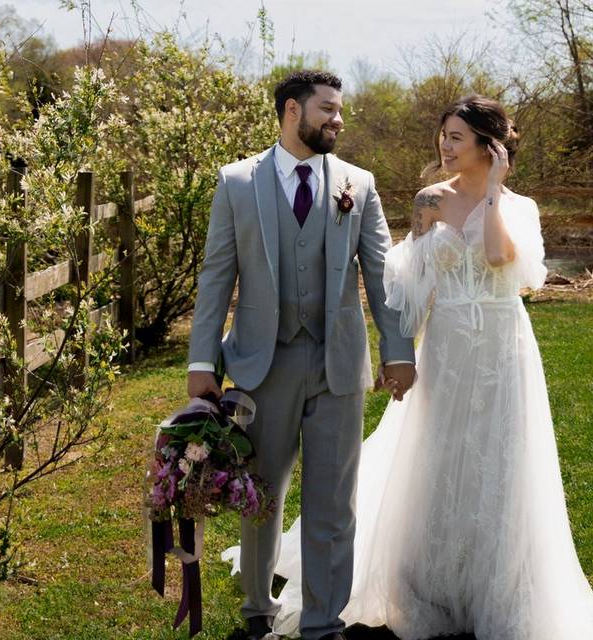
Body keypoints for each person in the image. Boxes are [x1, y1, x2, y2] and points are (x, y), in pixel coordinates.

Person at [255, 95, 593, 639]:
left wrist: (492, 193)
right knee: (440, 452)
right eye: (442, 135)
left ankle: (495, 585)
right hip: (446, 346)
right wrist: (402, 352)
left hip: (502, 344)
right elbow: (407, 284)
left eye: (457, 137)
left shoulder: (520, 207)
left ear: (490, 146)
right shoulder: (428, 202)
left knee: (500, 457)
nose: (444, 146)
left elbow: (499, 261)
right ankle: (429, 586)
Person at [186, 70, 417, 640]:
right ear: (293, 110)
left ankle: (323, 623)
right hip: (262, 365)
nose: (338, 120)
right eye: (328, 109)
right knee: (260, 495)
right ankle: (257, 613)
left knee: (333, 503)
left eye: (340, 111)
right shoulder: (237, 182)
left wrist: (397, 351)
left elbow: (382, 276)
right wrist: (200, 362)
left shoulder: (358, 184)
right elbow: (217, 275)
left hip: (338, 363)